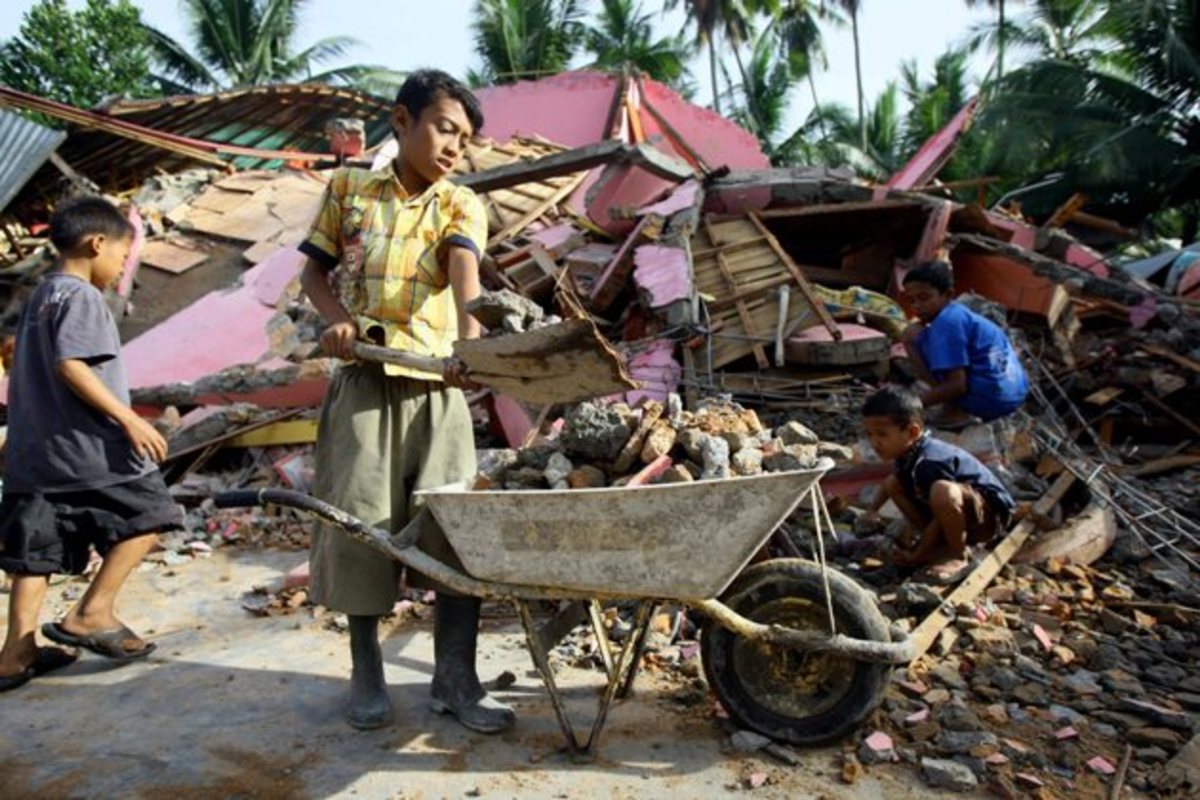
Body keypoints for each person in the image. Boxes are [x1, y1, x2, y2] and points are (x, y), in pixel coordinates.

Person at [297, 69, 513, 733]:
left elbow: (465, 279)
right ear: (402, 121)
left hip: (436, 387)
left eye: (465, 138)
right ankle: (367, 671)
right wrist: (336, 320)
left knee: (453, 533)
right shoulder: (348, 188)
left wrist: (470, 350)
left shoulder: (459, 203)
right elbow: (312, 271)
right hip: (363, 382)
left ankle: (455, 678)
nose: (455, 146)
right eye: (445, 128)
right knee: (360, 525)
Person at [0, 196, 180, 692]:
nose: (123, 265)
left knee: (35, 552)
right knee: (153, 516)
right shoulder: (81, 297)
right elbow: (72, 365)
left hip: (35, 452)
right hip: (87, 450)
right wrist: (129, 419)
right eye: (123, 255)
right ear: (96, 243)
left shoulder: (42, 296)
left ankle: (15, 654)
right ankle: (92, 612)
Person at [863, 386, 1016, 583]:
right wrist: (872, 510)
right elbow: (890, 483)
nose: (874, 442)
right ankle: (941, 545)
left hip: (990, 519)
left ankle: (958, 556)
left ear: (912, 432)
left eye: (882, 434)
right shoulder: (908, 453)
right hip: (962, 513)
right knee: (894, 482)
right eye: (870, 435)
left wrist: (917, 555)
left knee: (942, 492)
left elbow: (940, 510)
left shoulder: (930, 462)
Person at [901, 260, 1028, 424]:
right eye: (911, 300)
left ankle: (954, 409)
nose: (917, 306)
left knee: (910, 334)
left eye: (924, 298)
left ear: (947, 294)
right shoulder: (959, 313)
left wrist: (906, 406)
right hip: (1015, 394)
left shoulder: (945, 323)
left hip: (992, 401)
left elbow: (957, 386)